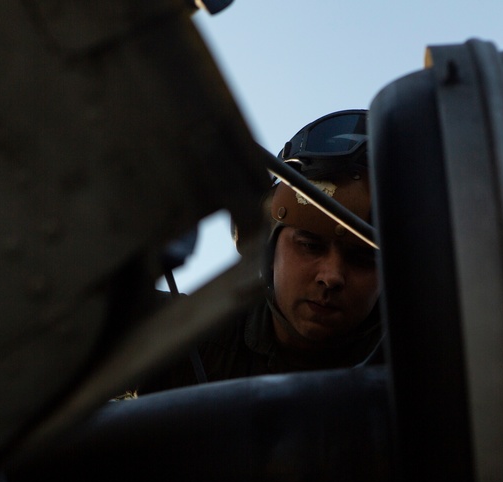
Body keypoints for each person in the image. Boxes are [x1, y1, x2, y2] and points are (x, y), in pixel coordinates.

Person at [137, 110, 381, 394]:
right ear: (268, 245)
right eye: (310, 246)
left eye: (362, 258)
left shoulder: (426, 368)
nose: (331, 276)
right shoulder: (196, 341)